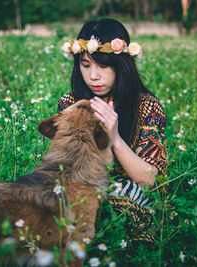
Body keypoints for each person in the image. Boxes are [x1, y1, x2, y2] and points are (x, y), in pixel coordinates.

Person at [57, 18, 168, 243]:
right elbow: (65, 169)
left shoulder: (145, 105)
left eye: (103, 66)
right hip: (82, 192)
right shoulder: (71, 103)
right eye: (86, 65)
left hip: (133, 197)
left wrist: (115, 138)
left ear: (122, 66)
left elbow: (150, 181)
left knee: (122, 193)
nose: (93, 76)